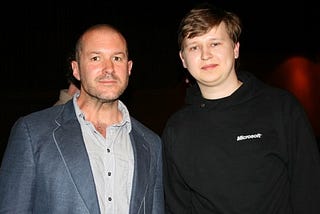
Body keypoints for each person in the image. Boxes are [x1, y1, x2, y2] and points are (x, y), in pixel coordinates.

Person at [162, 3, 320, 214]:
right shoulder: (176, 130)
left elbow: (309, 192)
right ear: (183, 59)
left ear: (235, 48)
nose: (205, 55)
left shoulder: (281, 108)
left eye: (215, 43)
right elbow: (177, 206)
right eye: (194, 47)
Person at [0, 24, 164, 214]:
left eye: (117, 58)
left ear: (129, 68)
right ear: (76, 69)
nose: (109, 68)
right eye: (96, 58)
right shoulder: (32, 133)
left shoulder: (151, 144)